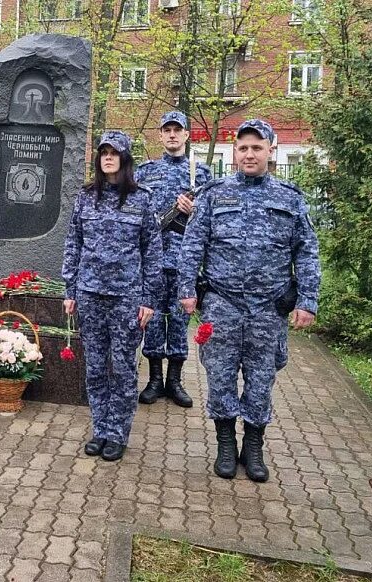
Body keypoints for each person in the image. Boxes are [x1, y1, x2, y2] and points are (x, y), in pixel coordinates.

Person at [178, 119, 320, 482]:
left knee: (261, 381)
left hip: (268, 309)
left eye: (257, 147)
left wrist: (307, 299)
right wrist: (186, 290)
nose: (249, 154)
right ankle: (226, 444)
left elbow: (307, 252)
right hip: (222, 305)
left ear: (270, 150)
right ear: (235, 151)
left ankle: (253, 447)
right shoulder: (213, 194)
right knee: (220, 377)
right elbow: (192, 244)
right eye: (243, 148)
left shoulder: (289, 198)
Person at [62, 131, 163, 462]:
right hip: (90, 294)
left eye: (114, 152)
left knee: (121, 368)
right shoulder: (86, 197)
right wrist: (70, 289)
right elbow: (73, 243)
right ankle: (101, 428)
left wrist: (149, 298)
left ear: (125, 158)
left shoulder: (143, 198)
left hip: (126, 297)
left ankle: (118, 433)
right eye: (103, 152)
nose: (107, 157)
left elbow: (152, 250)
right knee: (94, 367)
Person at [136, 111, 213, 408]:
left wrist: (193, 211)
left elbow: (212, 219)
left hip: (185, 262)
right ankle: (155, 380)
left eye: (176, 130)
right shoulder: (145, 172)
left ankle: (175, 381)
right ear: (160, 135)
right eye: (166, 130)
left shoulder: (202, 174)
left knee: (180, 323)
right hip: (153, 262)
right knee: (153, 321)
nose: (171, 135)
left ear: (186, 135)